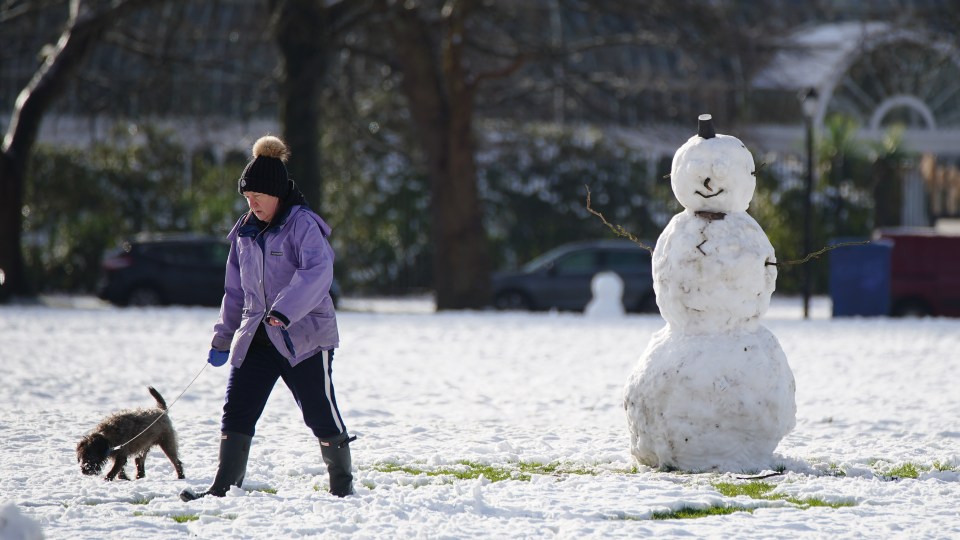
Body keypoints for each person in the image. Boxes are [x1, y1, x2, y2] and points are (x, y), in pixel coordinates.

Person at [180, 135, 354, 501]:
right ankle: (223, 489)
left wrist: (283, 312)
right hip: (256, 339)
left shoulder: (303, 225)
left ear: (276, 192)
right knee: (237, 411)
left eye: (258, 195)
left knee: (320, 414)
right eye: (247, 197)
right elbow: (236, 291)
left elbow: (318, 273)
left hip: (304, 340)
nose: (252, 202)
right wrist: (223, 337)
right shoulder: (244, 231)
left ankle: (342, 486)